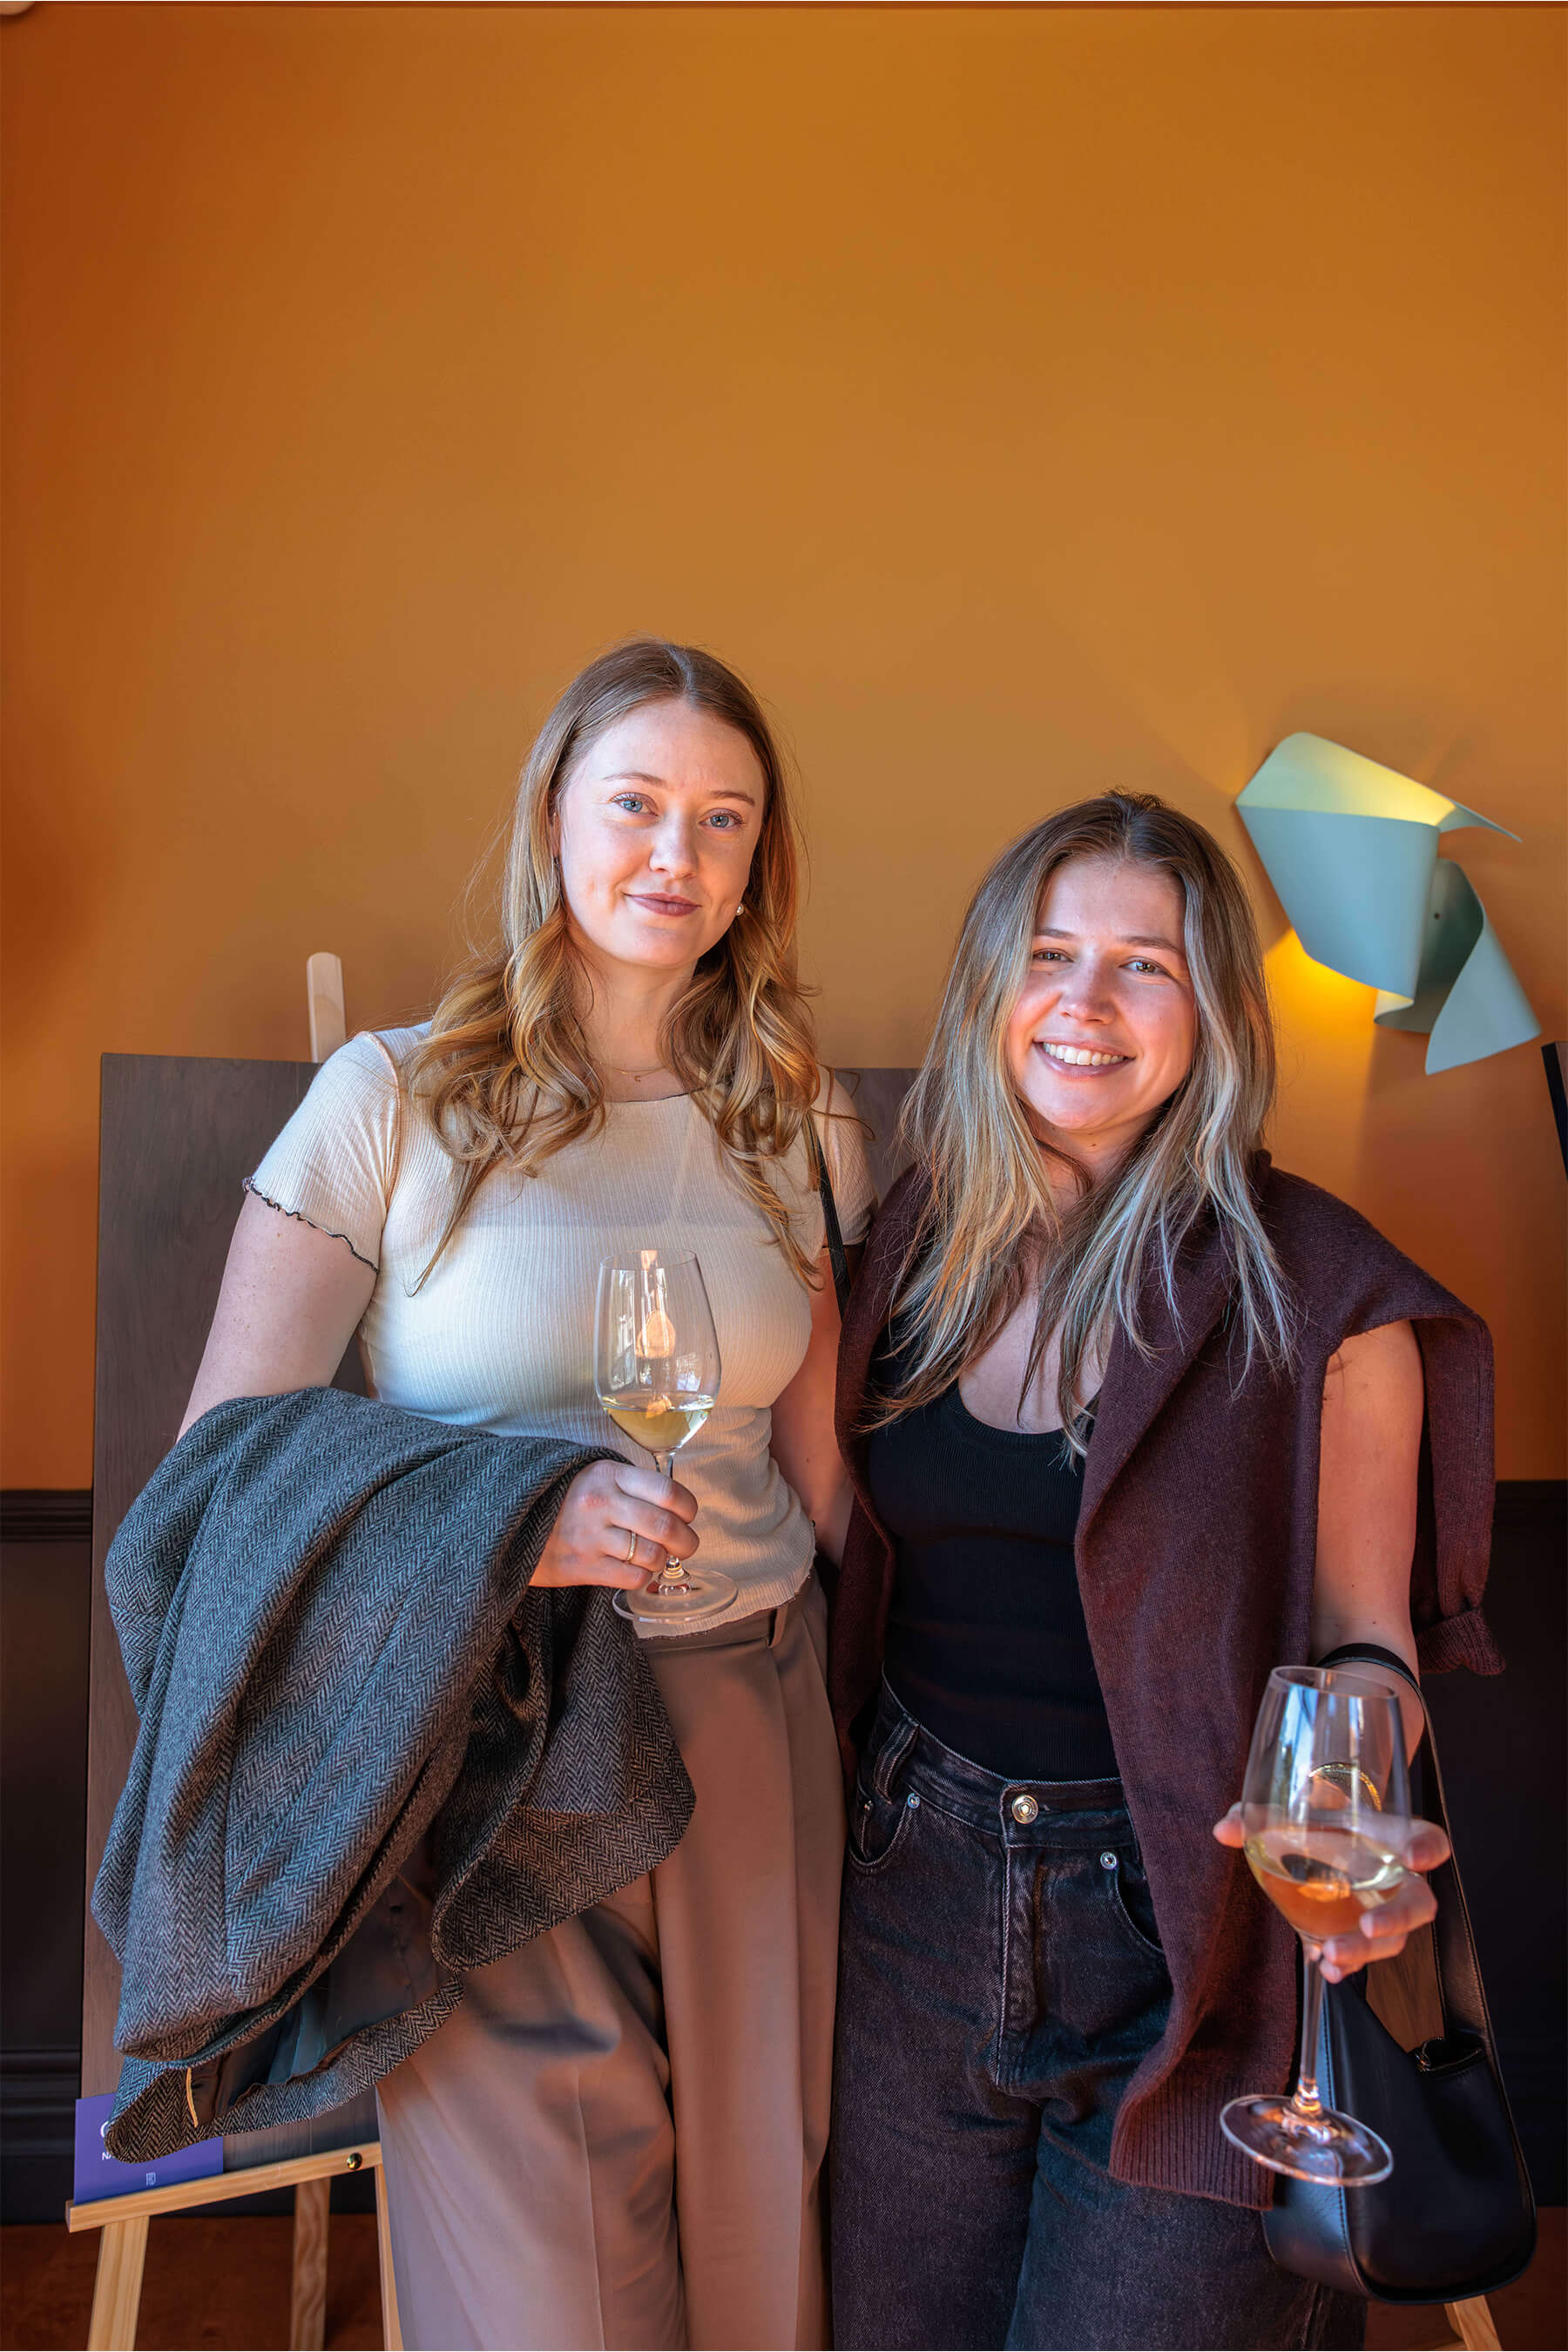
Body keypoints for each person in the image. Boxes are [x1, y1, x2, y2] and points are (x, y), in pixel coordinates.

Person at [179, 639, 875, 2352]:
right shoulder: (389, 1102)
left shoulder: (798, 1117)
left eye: (726, 821)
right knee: (548, 2287)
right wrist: (519, 1527)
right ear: (552, 818)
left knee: (756, 2240)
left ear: (757, 866)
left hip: (750, 1720)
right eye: (634, 802)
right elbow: (222, 1472)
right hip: (487, 1737)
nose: (676, 854)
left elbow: (827, 1468)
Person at [827, 794, 1499, 2352]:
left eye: (1148, 965)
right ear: (992, 982)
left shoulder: (1325, 1293)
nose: (1086, 1002)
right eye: (1052, 953)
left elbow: (1366, 1645)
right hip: (906, 1895)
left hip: (1189, 1932)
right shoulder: (915, 1245)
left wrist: (1358, 1824)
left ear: (1214, 1014)